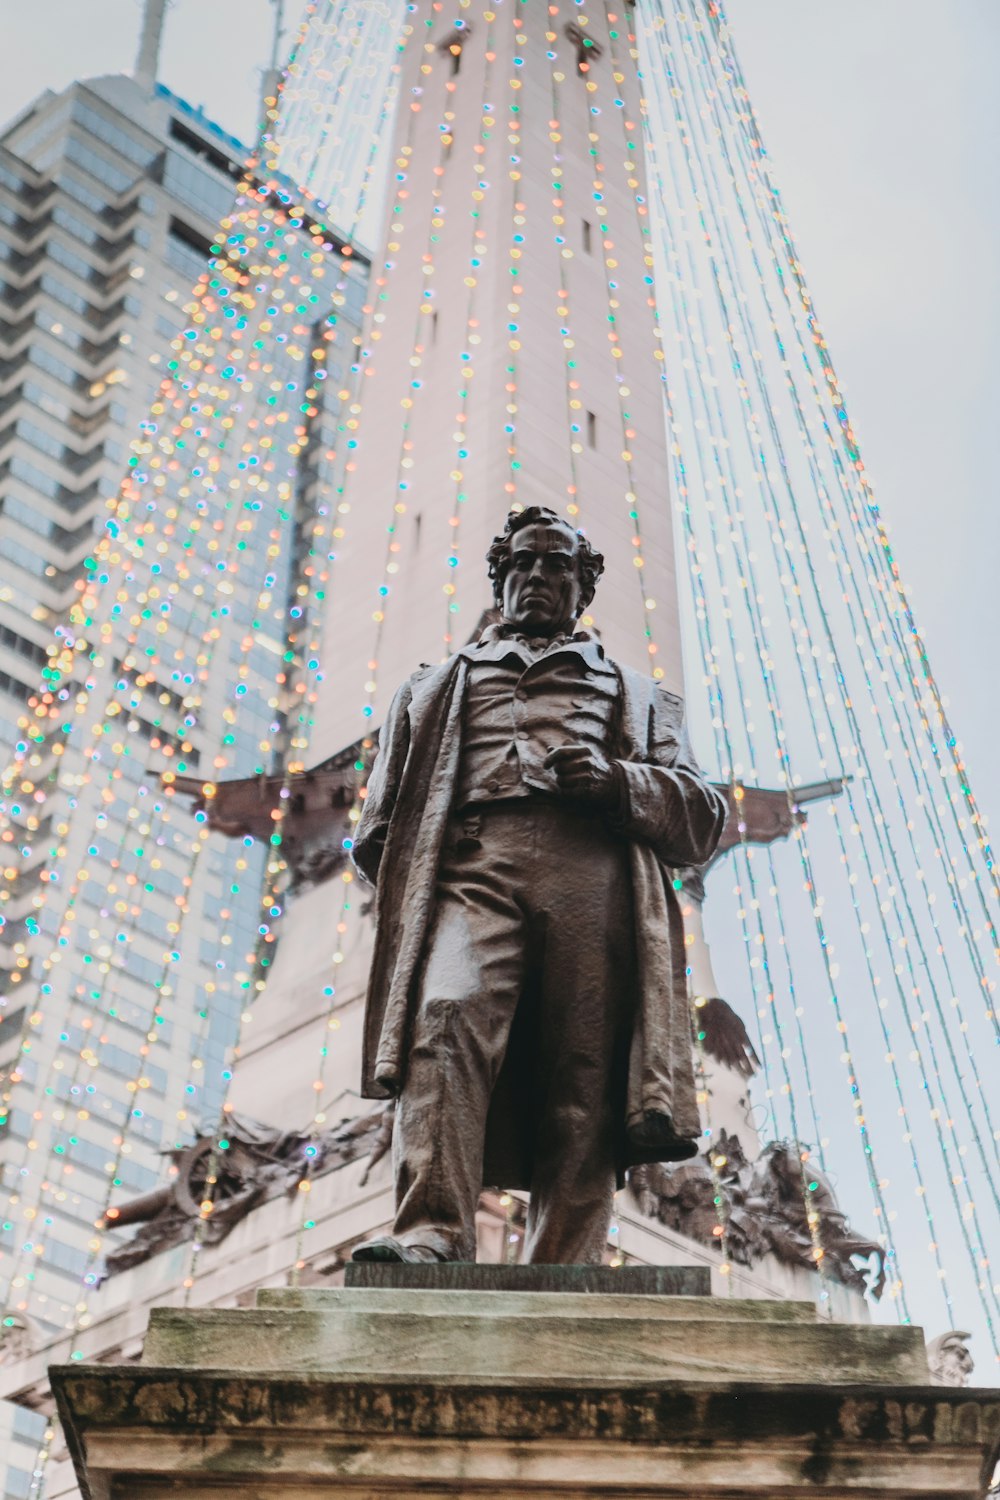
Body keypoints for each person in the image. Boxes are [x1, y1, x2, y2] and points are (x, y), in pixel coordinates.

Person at [351, 506, 726, 1264]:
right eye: (523, 564)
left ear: (583, 585)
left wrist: (619, 782)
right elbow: (380, 829)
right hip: (471, 871)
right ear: (501, 577)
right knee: (444, 1020)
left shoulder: (641, 694)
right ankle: (430, 1231)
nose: (538, 578)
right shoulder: (429, 690)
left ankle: (566, 1260)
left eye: (557, 565)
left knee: (584, 1068)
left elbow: (702, 819)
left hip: (592, 877)